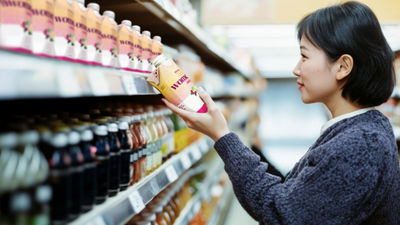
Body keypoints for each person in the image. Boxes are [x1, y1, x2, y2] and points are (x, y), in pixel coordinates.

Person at [163, 1, 400, 224]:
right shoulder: (360, 129)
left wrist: (223, 137)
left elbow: (282, 214)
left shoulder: (360, 144)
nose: (296, 69)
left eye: (304, 56)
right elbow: (296, 193)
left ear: (342, 66)